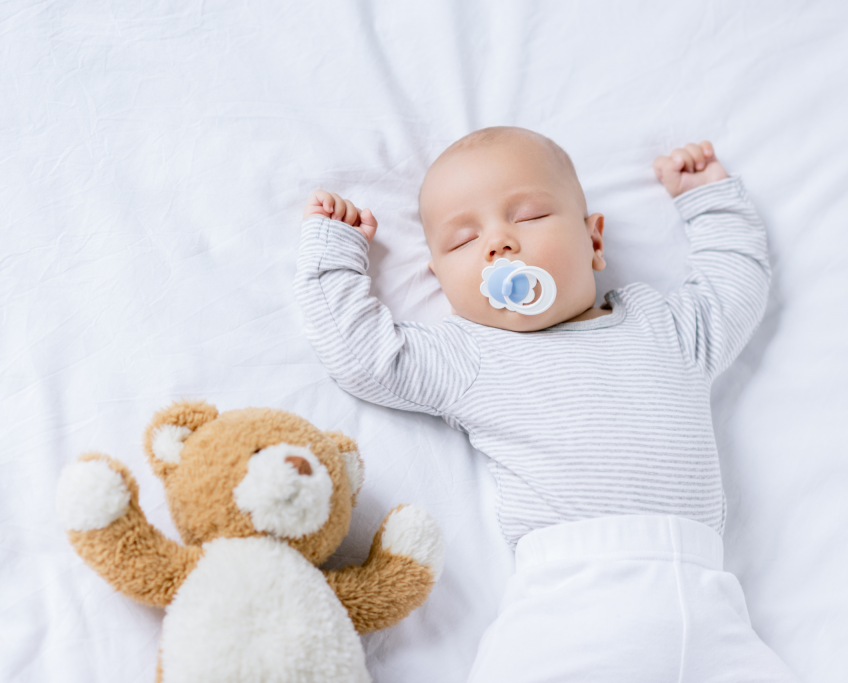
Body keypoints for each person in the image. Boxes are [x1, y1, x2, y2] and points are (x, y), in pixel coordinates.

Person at [293, 127, 799, 682]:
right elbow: (363, 356)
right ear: (440, 282)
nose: (499, 243)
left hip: (708, 604)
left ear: (594, 242)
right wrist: (335, 251)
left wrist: (709, 199)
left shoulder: (668, 329)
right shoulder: (471, 354)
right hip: (570, 601)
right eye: (462, 240)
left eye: (530, 216)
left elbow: (736, 285)